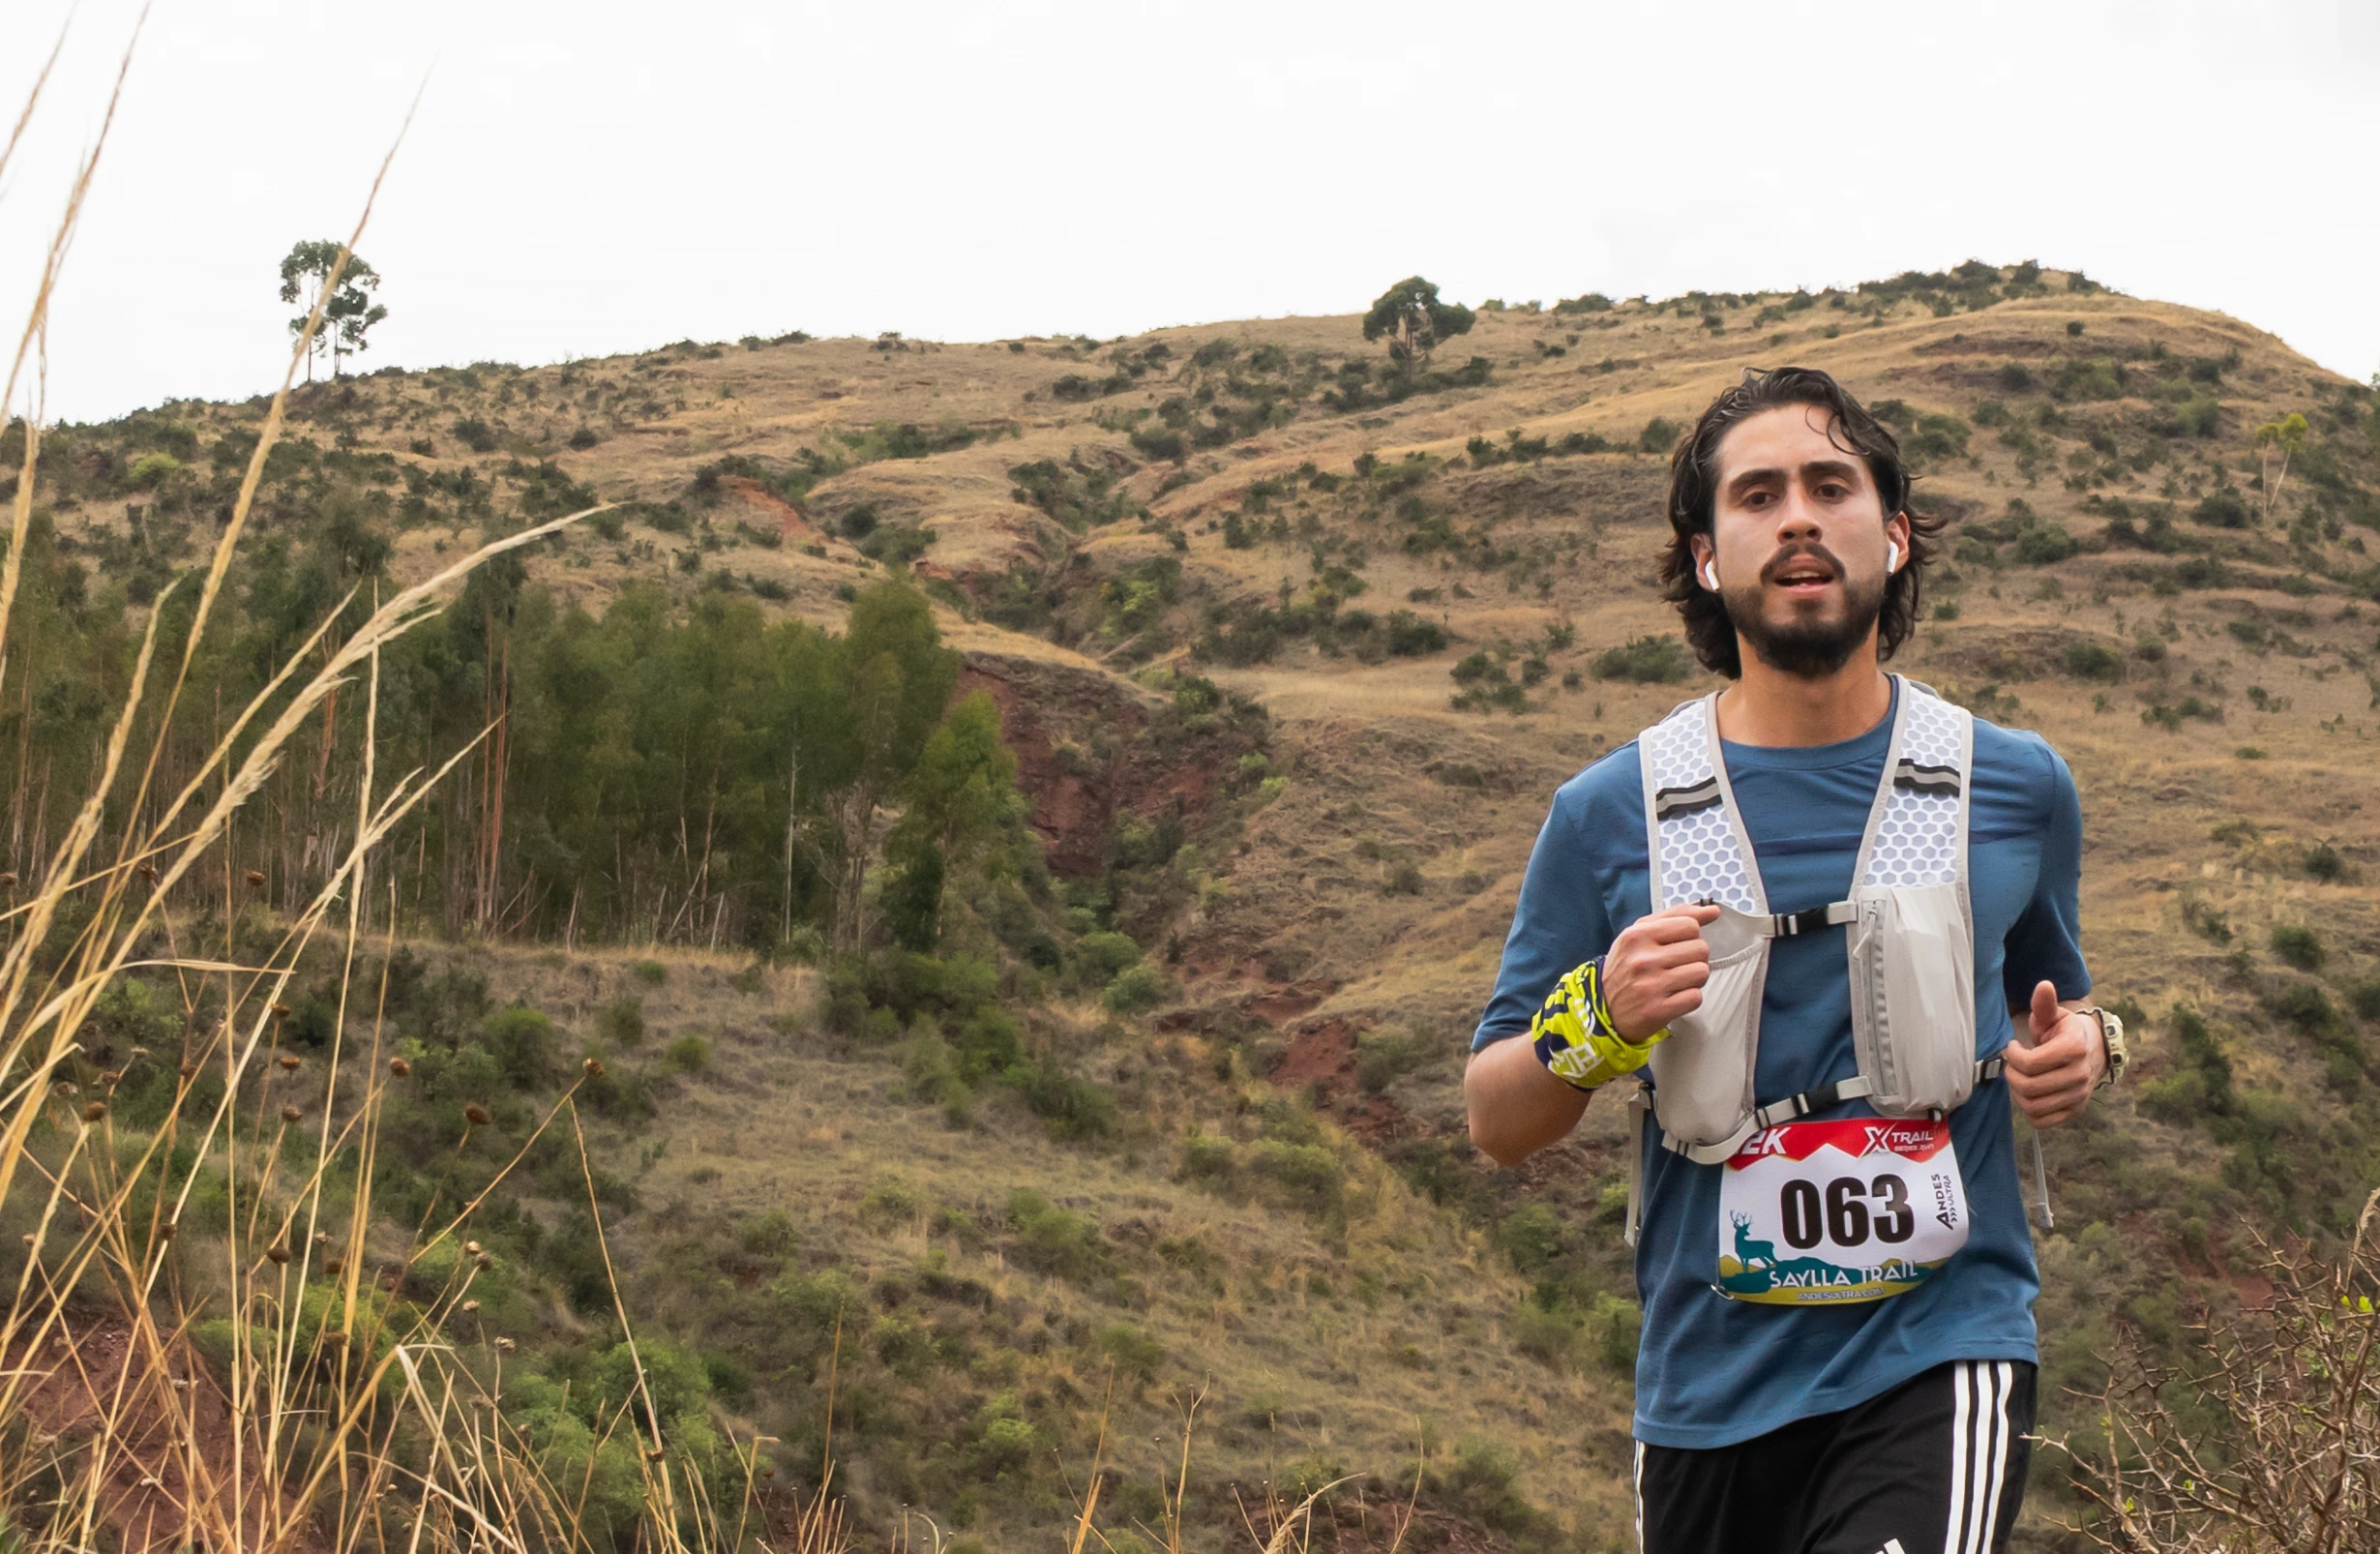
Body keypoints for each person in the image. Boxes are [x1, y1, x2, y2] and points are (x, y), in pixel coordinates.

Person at [1465, 367, 2128, 1554]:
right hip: (1707, 1392)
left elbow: (2062, 1003)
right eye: (1758, 495)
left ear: (1898, 534)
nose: (1800, 518)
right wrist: (1599, 1021)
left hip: (1944, 1345)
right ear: (1709, 558)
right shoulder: (1610, 812)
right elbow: (1496, 1119)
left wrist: (2080, 1050)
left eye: (1833, 485)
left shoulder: (2017, 785)